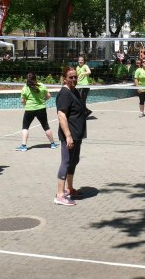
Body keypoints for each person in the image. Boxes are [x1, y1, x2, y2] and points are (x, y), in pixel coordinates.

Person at [54, 67, 88, 206]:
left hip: (77, 134)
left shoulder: (74, 91)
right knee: (66, 162)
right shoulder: (64, 94)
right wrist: (68, 136)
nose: (73, 79)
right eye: (70, 77)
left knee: (74, 162)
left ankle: (70, 188)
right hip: (70, 135)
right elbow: (61, 115)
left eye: (75, 77)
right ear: (64, 79)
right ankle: (60, 195)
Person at [16, 73, 58, 152]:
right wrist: (42, 101)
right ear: (36, 79)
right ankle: (52, 144)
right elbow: (49, 96)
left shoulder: (25, 88)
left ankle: (24, 146)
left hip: (29, 109)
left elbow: (22, 101)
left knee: (25, 127)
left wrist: (25, 104)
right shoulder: (41, 85)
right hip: (41, 109)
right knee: (46, 126)